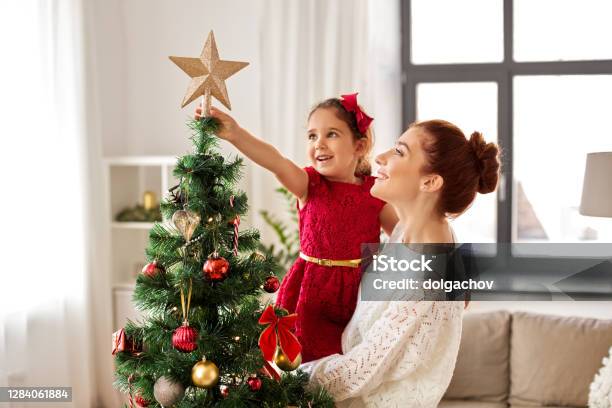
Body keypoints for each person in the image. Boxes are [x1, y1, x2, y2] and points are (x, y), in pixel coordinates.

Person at [301, 119, 501, 407]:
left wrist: (282, 380)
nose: (380, 158)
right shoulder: (408, 232)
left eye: (399, 151)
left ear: (430, 182)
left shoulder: (428, 272)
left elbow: (360, 369)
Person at [195, 93, 398, 362]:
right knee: (305, 366)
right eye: (312, 136)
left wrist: (447, 280)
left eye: (332, 134)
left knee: (351, 365)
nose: (319, 144)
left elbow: (409, 239)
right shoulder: (309, 184)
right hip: (310, 293)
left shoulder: (376, 193)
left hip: (359, 296)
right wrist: (236, 134)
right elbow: (276, 162)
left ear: (359, 146)